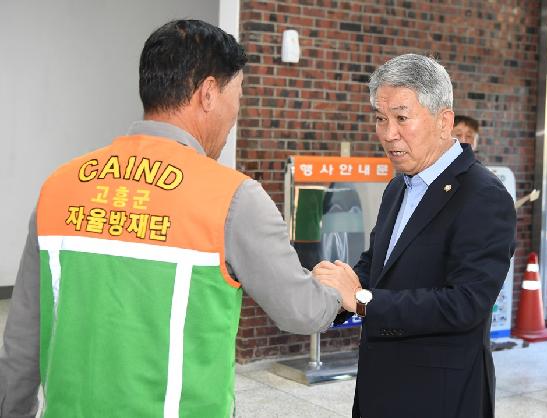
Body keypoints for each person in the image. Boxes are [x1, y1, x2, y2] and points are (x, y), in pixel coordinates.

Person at [0, 20, 354, 418]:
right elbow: (301, 311)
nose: (236, 113)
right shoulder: (233, 198)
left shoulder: (58, 188)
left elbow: (23, 339)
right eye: (237, 96)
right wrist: (338, 290)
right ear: (207, 94)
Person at [314, 54, 517, 418]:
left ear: (444, 121)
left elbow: (466, 304)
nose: (388, 133)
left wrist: (360, 300)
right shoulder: (399, 187)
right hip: (381, 386)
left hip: (440, 396)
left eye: (402, 118)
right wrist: (329, 293)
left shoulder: (483, 195)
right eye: (380, 118)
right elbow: (377, 266)